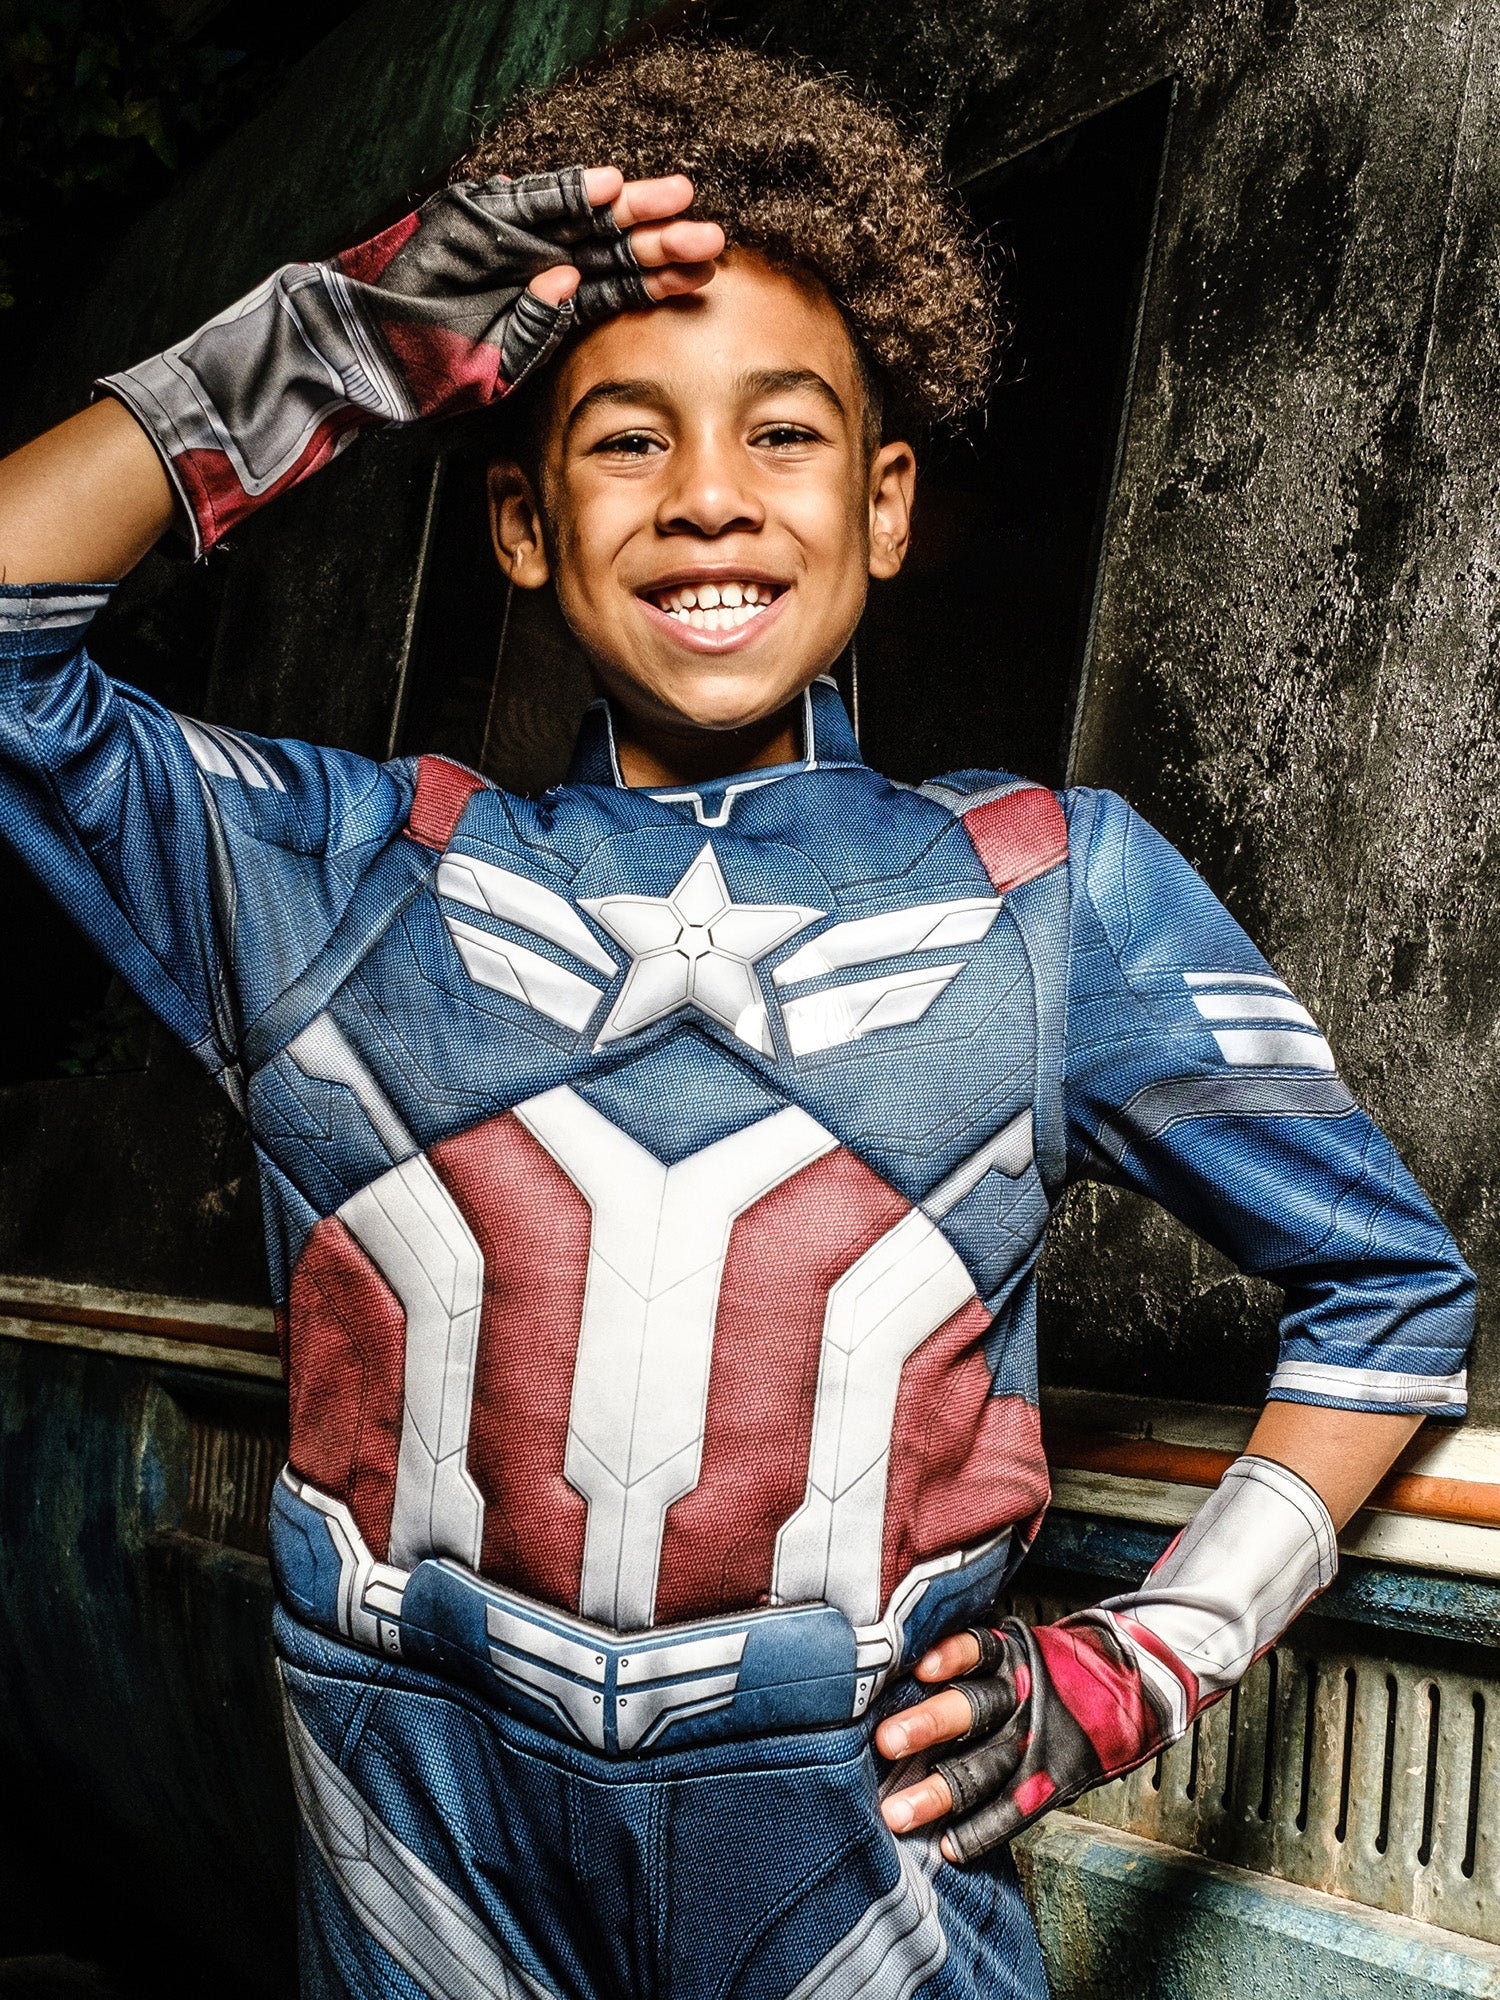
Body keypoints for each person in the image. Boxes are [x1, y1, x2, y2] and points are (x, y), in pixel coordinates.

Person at [0, 36, 1474, 2000]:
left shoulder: (1054, 897)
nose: (709, 498)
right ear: (521, 521)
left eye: (783, 435)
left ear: (884, 503)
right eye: (628, 440)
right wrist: (349, 337)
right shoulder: (344, 885)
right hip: (419, 1843)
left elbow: (1393, 1292)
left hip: (858, 1873)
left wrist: (1147, 1663)